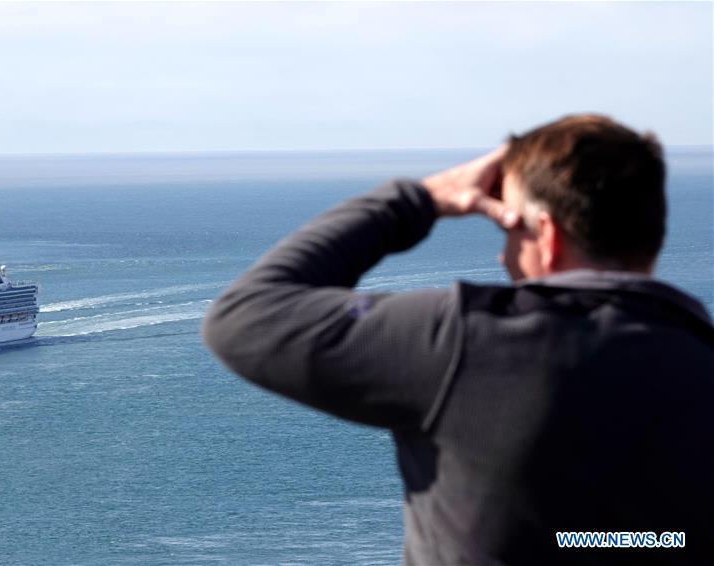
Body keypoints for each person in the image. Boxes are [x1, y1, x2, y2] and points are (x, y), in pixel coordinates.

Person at [202, 115, 714, 565]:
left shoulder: (464, 342)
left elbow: (246, 316)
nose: (501, 256)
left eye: (509, 231)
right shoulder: (699, 357)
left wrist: (421, 200)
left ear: (547, 236)